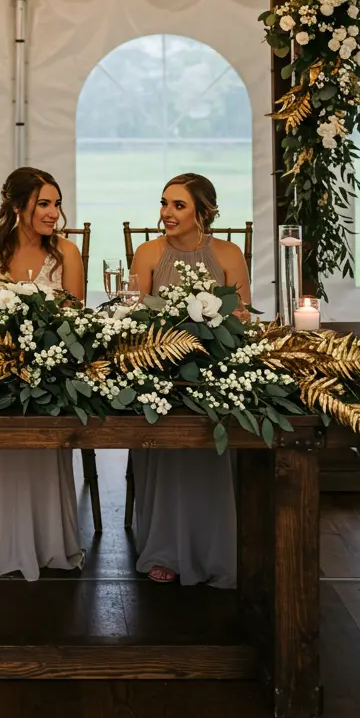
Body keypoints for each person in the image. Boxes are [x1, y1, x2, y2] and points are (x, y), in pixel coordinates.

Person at [0, 166, 86, 580]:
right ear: (17, 207)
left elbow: (76, 321)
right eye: (43, 204)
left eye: (56, 204)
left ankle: (49, 541)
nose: (53, 213)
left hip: (50, 376)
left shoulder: (67, 253)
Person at [129, 173, 251, 589]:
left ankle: (211, 549)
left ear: (204, 211)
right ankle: (163, 547)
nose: (166, 213)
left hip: (214, 373)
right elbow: (134, 318)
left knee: (208, 449)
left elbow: (242, 319)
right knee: (166, 443)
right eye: (164, 203)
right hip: (162, 372)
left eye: (178, 205)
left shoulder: (230, 254)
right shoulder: (148, 253)